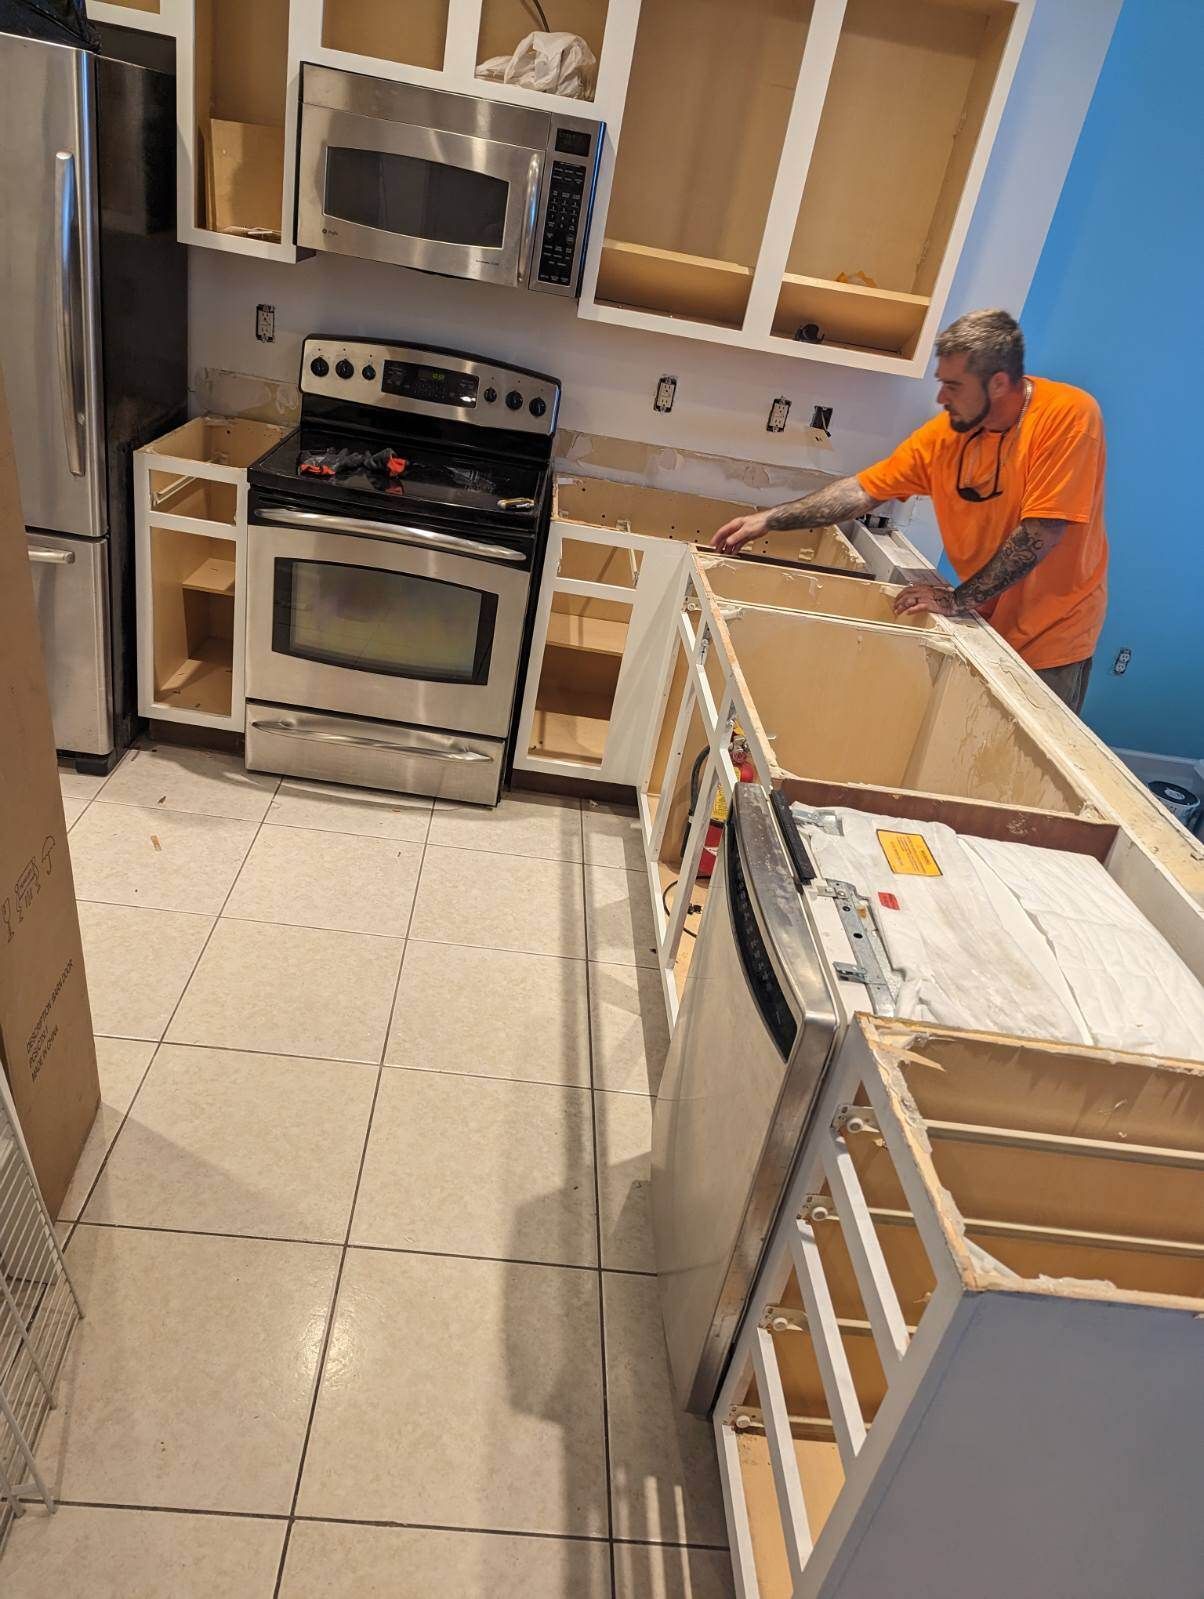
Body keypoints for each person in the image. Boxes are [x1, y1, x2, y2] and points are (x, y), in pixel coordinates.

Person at [711, 309, 1108, 714]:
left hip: (1051, 639)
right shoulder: (946, 438)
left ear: (999, 383)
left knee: (1024, 770)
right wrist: (769, 520)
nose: (941, 398)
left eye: (953, 386)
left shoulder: (1069, 417)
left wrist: (957, 599)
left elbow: (1041, 532)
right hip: (985, 616)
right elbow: (861, 491)